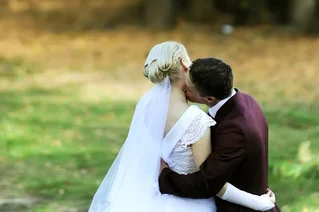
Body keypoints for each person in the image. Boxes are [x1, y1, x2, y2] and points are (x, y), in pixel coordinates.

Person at [88, 42, 275, 212]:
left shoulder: (149, 107)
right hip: (190, 201)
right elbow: (209, 183)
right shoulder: (197, 120)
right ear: (185, 65)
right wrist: (255, 202)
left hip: (150, 195)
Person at [159, 56, 281, 212]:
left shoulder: (234, 132)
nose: (183, 88)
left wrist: (164, 177)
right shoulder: (246, 100)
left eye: (188, 89)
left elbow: (206, 184)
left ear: (209, 98)